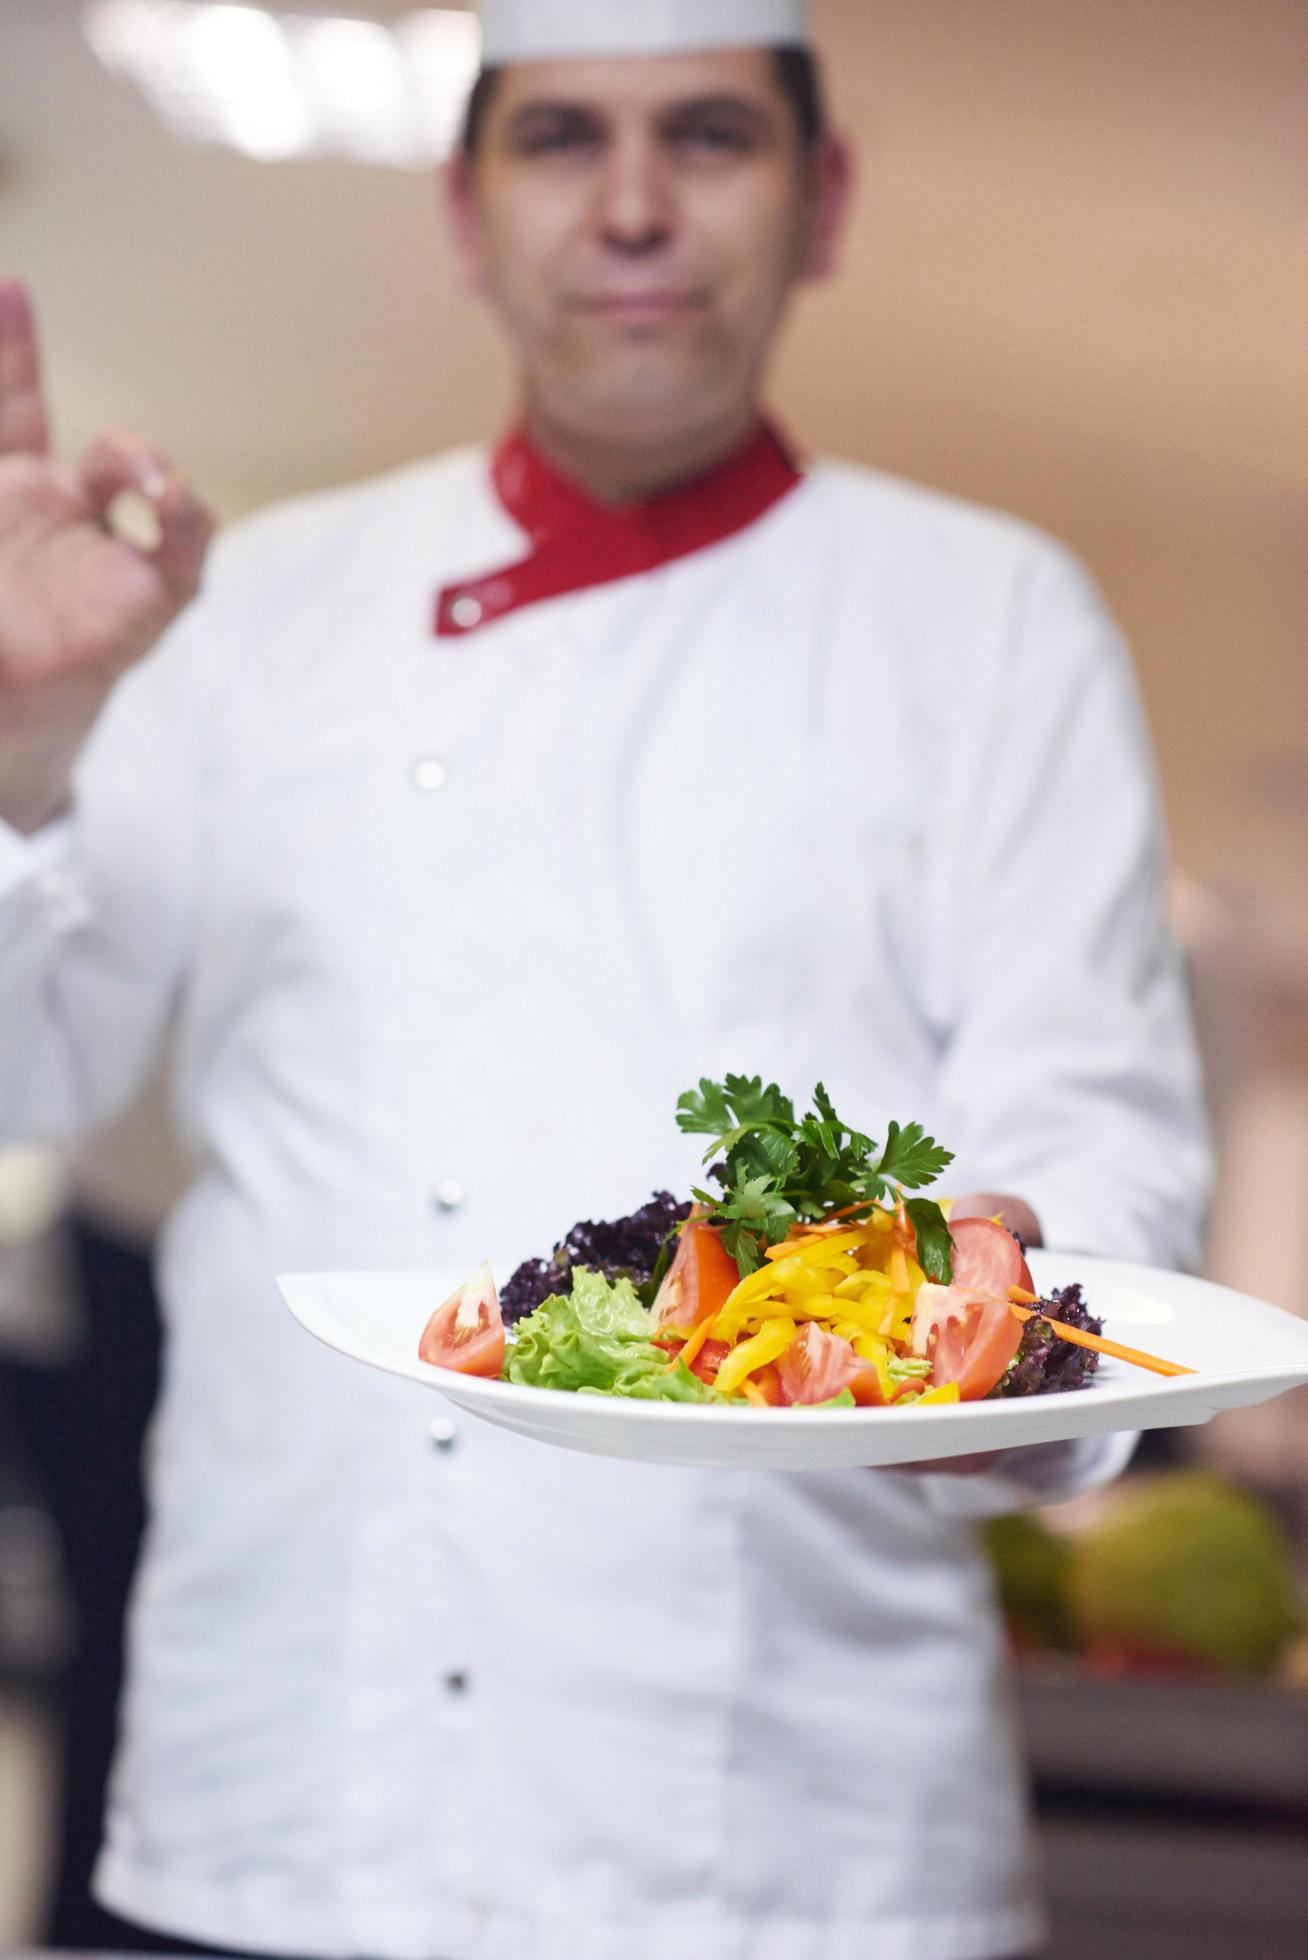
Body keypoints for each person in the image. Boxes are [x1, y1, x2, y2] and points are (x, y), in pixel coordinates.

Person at [0, 1, 1210, 1955]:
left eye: (710, 137)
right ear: (468, 215)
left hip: (797, 1831)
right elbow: (26, 1078)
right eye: (563, 139)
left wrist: (979, 1329)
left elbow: (1099, 1128)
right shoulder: (250, 610)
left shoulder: (990, 618)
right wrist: (25, 753)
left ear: (822, 202)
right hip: (283, 1792)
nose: (634, 205)